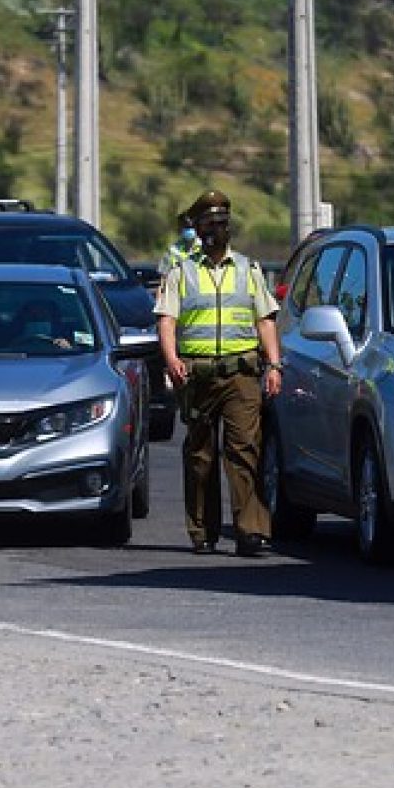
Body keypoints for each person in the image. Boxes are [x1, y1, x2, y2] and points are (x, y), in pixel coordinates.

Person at [154, 190, 283, 556]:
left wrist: (274, 364)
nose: (217, 229)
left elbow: (265, 320)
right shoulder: (181, 272)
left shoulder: (248, 269)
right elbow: (167, 321)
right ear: (196, 227)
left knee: (244, 450)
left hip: (241, 373)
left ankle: (251, 531)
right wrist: (171, 359)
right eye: (209, 223)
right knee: (201, 455)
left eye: (222, 222)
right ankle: (202, 532)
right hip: (196, 375)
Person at [158, 211, 202, 276]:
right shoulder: (172, 251)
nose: (189, 230)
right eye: (186, 227)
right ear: (179, 228)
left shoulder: (204, 249)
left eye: (191, 227)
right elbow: (162, 276)